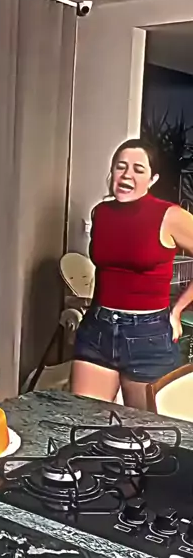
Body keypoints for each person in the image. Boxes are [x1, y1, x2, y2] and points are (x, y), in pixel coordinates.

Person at [71, 137, 193, 409]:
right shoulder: (101, 213)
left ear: (153, 179)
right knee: (83, 422)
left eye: (138, 169)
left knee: (146, 430)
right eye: (121, 166)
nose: (127, 175)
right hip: (97, 331)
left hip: (148, 337)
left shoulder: (170, 216)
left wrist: (177, 311)